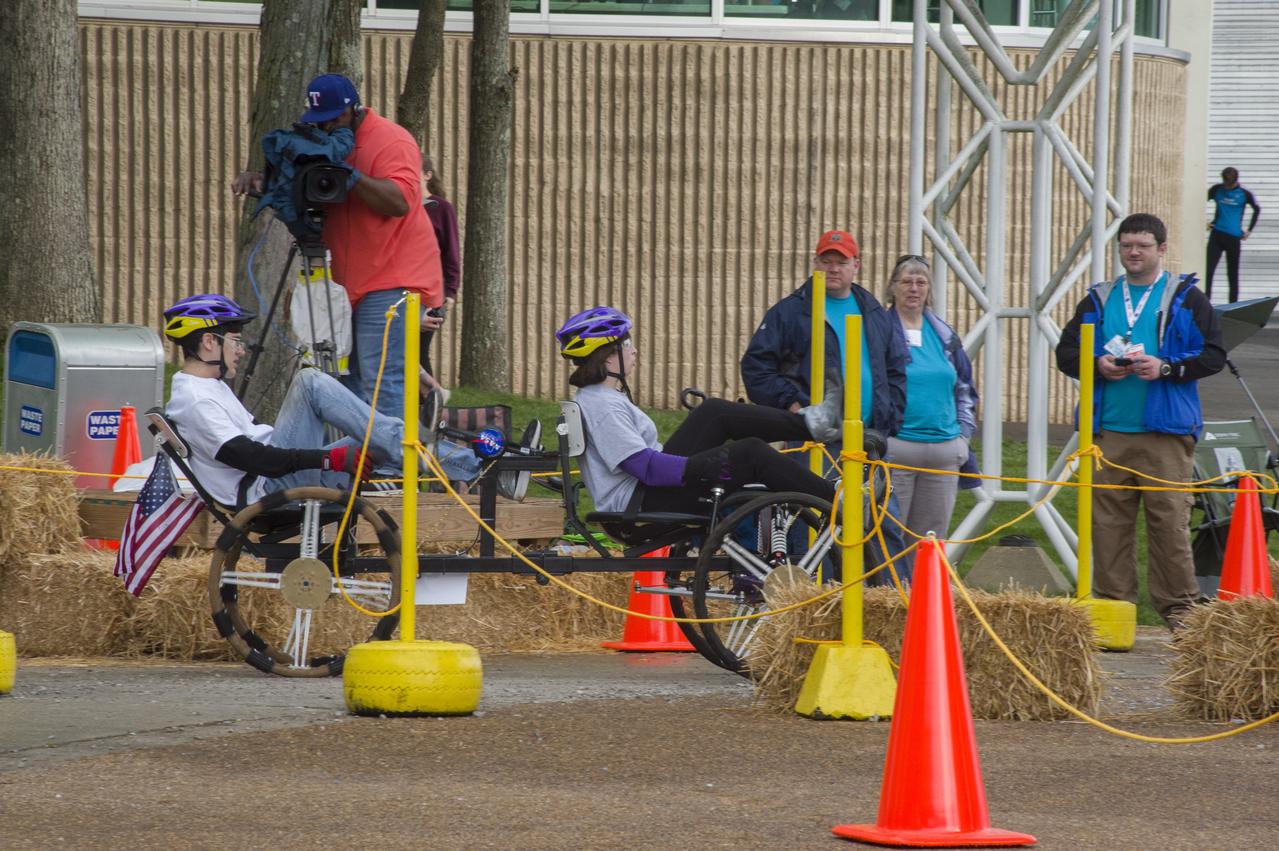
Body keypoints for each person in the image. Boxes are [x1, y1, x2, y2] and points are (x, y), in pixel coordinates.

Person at [231, 73, 440, 423]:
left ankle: (395, 472)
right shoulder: (320, 143)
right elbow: (312, 187)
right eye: (319, 120)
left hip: (393, 279)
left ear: (353, 110)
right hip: (347, 283)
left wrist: (349, 175)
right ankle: (372, 466)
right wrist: (267, 182)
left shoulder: (391, 140)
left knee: (379, 383)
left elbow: (401, 201)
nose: (326, 127)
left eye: (333, 119)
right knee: (351, 386)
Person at [1056, 213, 1226, 630]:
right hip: (1107, 433)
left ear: (1161, 250)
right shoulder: (1099, 297)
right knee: (1108, 528)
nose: (1133, 253)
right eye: (1127, 245)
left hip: (1163, 434)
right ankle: (1115, 615)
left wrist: (1166, 368)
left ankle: (1182, 617)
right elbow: (1065, 352)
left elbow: (1214, 355)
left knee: (1169, 525)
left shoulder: (1185, 297)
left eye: (1143, 246)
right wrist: (1097, 364)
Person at [161, 294, 486, 508]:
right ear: (208, 342)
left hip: (273, 481)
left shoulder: (207, 387)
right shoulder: (195, 400)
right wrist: (328, 459)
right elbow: (254, 458)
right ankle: (474, 464)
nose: (242, 350)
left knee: (373, 436)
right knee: (310, 382)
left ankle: (475, 466)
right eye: (235, 341)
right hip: (267, 492)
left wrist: (332, 456)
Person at [557, 306, 848, 519]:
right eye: (628, 344)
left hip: (647, 494)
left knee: (714, 412)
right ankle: (836, 500)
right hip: (641, 504)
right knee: (750, 452)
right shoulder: (603, 407)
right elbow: (646, 468)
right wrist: (703, 466)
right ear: (609, 356)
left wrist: (701, 463)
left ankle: (813, 422)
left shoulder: (600, 397)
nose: (635, 352)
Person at [741, 229, 910, 580]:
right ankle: (810, 603)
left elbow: (895, 368)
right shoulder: (792, 311)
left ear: (856, 265)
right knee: (810, 521)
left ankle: (889, 604)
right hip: (812, 440)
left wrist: (888, 416)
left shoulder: (875, 311)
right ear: (815, 262)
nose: (833, 268)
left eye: (841, 262)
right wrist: (794, 408)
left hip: (868, 439)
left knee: (882, 524)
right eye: (826, 260)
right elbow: (756, 367)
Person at [884, 254, 979, 552]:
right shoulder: (879, 331)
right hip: (896, 448)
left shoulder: (944, 334)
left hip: (943, 451)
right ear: (893, 287)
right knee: (889, 539)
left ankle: (922, 599)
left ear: (929, 289)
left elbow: (965, 388)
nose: (914, 288)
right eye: (907, 282)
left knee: (929, 543)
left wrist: (963, 438)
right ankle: (889, 598)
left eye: (921, 282)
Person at [420, 154, 461, 399]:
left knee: (418, 352)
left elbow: (451, 251)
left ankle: (430, 406)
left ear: (427, 175)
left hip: (431, 293)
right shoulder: (400, 205)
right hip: (402, 291)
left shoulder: (440, 208)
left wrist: (451, 293)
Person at [1205, 167, 1261, 304]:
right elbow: (1199, 203)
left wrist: (1249, 230)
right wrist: (1207, 222)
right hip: (1217, 234)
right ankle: (1206, 302)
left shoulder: (1244, 194)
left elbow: (1257, 209)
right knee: (1208, 270)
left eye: (1229, 185)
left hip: (1233, 237)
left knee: (1232, 273)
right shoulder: (1217, 189)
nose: (1227, 187)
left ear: (1236, 181)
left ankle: (1233, 305)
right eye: (1225, 184)